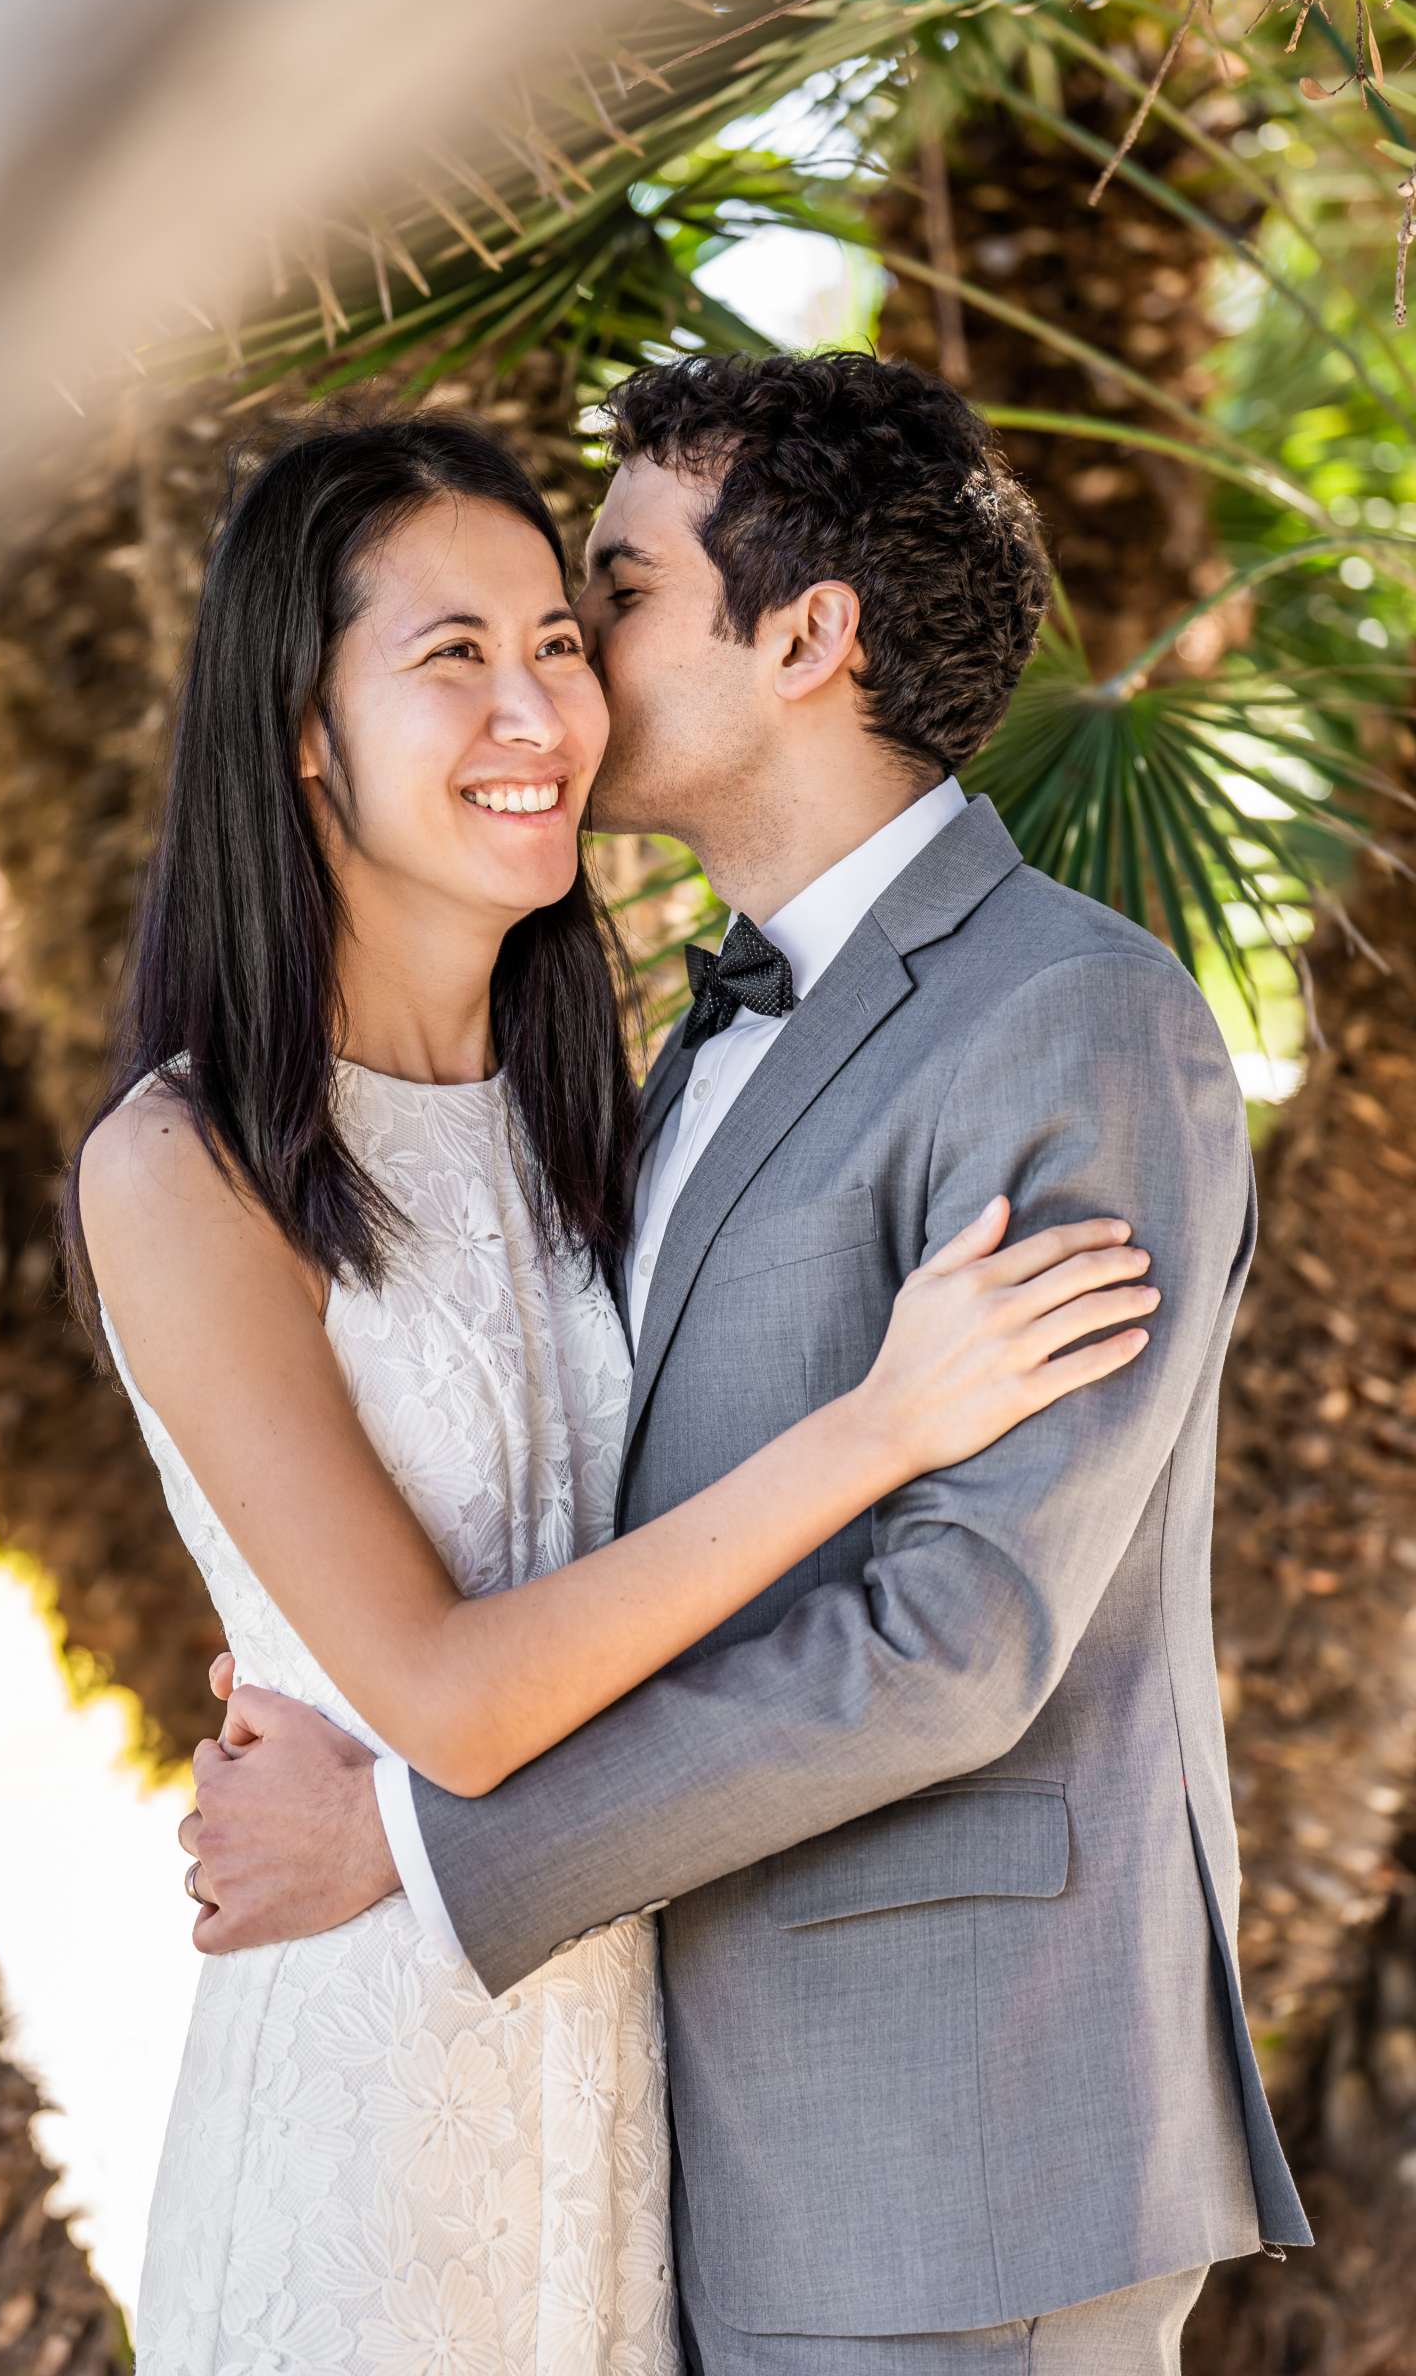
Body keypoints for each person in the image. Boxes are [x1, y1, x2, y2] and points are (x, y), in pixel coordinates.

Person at [177, 353, 1314, 2375]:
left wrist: (416, 1846)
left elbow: (952, 1641)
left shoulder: (1073, 1020)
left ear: (801, 636)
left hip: (956, 2149)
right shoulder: (673, 1043)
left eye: (608, 596)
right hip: (681, 2138)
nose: (569, 670)